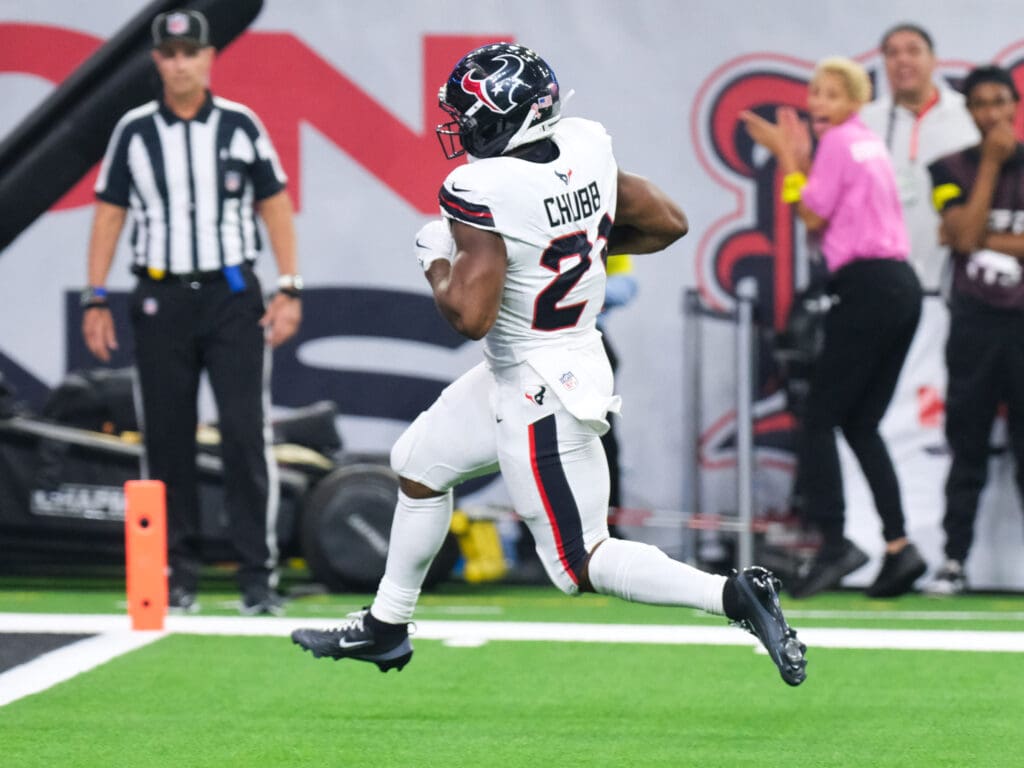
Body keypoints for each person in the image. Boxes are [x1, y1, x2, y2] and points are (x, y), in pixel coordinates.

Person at [292, 42, 807, 686]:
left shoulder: (481, 186)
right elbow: (667, 222)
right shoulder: (584, 145)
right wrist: (571, 237)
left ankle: (734, 596)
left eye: (467, 113)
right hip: (547, 358)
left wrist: (434, 258)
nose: (458, 127)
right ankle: (386, 627)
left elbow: (468, 316)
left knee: (577, 563)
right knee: (418, 465)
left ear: (502, 114)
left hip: (542, 384)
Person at [81, 9, 301, 615]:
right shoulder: (134, 131)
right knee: (167, 439)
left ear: (208, 58)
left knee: (242, 433)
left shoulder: (239, 125)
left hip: (232, 297)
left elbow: (274, 203)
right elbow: (109, 213)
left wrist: (289, 285)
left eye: (190, 52)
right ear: (158, 61)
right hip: (160, 297)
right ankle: (177, 574)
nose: (180, 62)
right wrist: (95, 294)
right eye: (170, 53)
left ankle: (257, 577)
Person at [742, 57, 926, 599]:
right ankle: (898, 547)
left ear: (852, 100)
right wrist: (801, 158)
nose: (817, 102)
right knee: (862, 422)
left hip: (865, 285)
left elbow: (814, 215)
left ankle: (834, 541)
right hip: (901, 287)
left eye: (829, 93)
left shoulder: (842, 143)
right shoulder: (868, 141)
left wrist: (788, 160)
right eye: (814, 93)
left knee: (820, 417)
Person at [924, 66, 1024, 596]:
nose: (991, 113)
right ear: (970, 111)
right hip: (975, 325)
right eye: (981, 104)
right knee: (966, 445)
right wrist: (989, 163)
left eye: (1000, 102)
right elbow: (962, 239)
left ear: (1014, 105)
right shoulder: (949, 167)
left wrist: (979, 233)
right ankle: (954, 560)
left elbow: (966, 232)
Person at [861, 23, 980, 292]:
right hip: (886, 282)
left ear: (934, 60)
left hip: (954, 283)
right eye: (892, 53)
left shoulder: (967, 116)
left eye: (913, 51)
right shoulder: (866, 122)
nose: (902, 59)